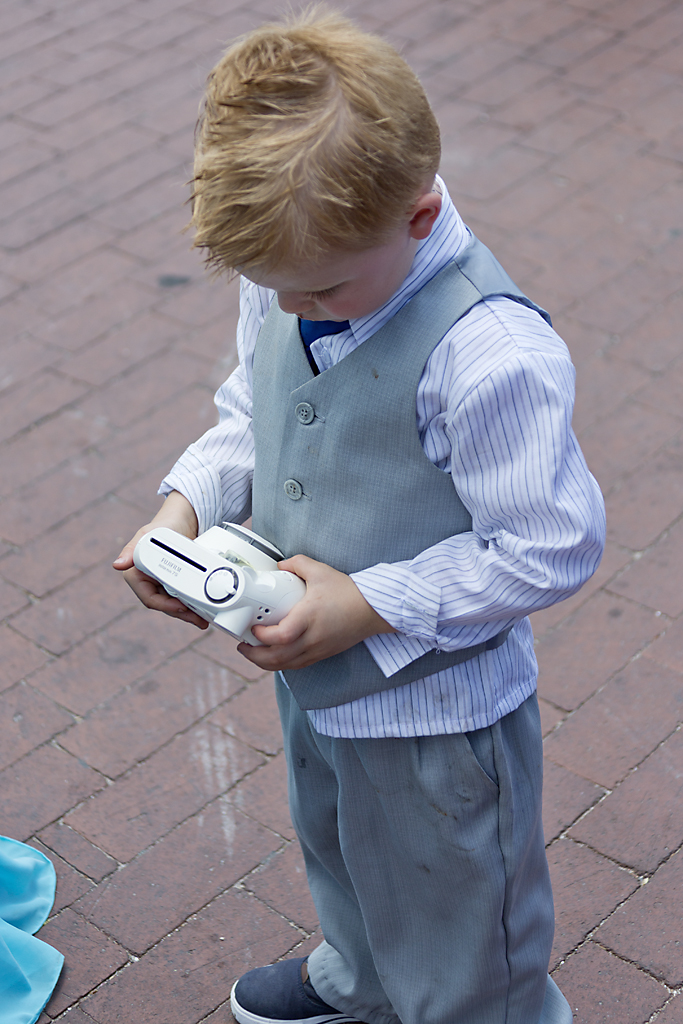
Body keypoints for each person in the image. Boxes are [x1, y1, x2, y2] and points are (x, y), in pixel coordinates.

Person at [113, 9, 605, 1024]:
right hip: (319, 678)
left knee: (464, 922)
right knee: (340, 847)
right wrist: (186, 506)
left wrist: (370, 604)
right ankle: (363, 981)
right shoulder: (301, 267)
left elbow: (551, 546)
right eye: (270, 287)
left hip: (441, 720)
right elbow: (253, 408)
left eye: (320, 288)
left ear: (418, 216)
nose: (291, 308)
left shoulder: (488, 356)